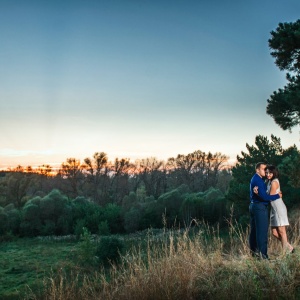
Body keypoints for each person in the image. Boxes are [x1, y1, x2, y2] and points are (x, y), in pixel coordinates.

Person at [249, 162, 282, 259]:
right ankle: (263, 256)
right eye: (263, 169)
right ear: (257, 170)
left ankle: (254, 254)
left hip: (254, 206)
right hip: (259, 207)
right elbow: (264, 197)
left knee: (254, 232)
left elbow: (262, 195)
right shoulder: (258, 180)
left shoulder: (256, 179)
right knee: (262, 232)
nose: (265, 171)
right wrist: (277, 196)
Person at [259, 165, 293, 254]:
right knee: (274, 232)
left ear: (274, 173)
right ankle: (289, 247)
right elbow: (266, 195)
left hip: (279, 208)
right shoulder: (269, 182)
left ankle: (286, 253)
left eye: (270, 173)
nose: (268, 174)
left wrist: (260, 194)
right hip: (273, 210)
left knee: (282, 231)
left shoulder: (274, 182)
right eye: (266, 173)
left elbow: (269, 197)